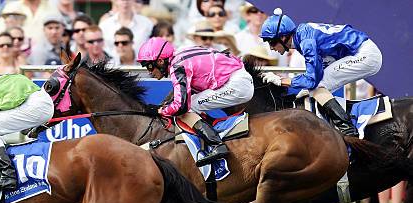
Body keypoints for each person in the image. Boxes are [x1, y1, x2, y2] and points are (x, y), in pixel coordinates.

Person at [259, 8, 382, 137]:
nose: (271, 48)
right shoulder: (302, 37)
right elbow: (315, 76)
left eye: (272, 42)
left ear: (283, 37)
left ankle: (348, 129)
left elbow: (312, 80)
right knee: (309, 90)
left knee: (318, 85)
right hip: (361, 53)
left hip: (365, 55)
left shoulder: (305, 40)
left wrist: (282, 80)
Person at [137, 37, 253, 167]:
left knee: (189, 107)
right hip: (237, 79)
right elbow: (183, 93)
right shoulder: (179, 56)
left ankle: (217, 145)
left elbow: (181, 106)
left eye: (150, 66)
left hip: (237, 85)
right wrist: (165, 105)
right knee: (191, 103)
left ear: (160, 61)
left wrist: (160, 110)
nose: (149, 71)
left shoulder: (177, 66)